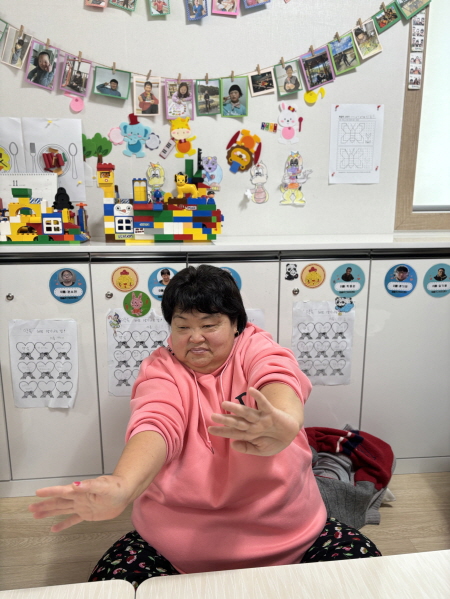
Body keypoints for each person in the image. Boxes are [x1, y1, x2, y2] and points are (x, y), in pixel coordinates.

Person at [29, 265, 381, 589]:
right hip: (175, 550)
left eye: (209, 325)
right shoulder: (161, 369)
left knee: (368, 575)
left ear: (236, 324)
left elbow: (279, 378)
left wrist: (283, 422)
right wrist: (124, 485)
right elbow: (155, 423)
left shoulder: (255, 347)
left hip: (292, 540)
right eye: (182, 327)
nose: (195, 337)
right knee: (109, 587)